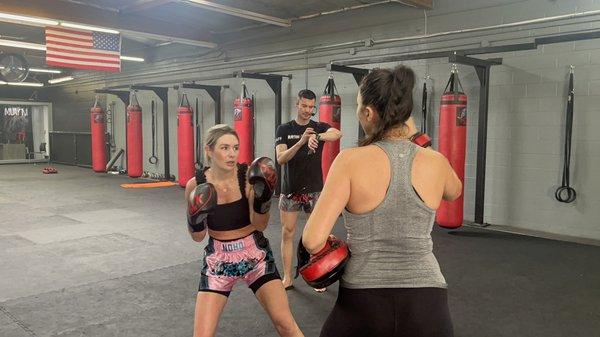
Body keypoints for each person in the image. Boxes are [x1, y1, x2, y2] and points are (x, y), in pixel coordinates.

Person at [301, 65, 462, 337]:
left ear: (368, 113)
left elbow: (313, 240)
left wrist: (339, 250)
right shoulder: (435, 161)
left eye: (357, 105)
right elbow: (454, 191)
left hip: (364, 300)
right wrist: (417, 138)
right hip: (428, 304)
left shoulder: (349, 160)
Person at [185, 124, 304, 337]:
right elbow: (198, 237)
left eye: (235, 147)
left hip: (254, 254)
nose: (232, 154)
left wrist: (263, 198)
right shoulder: (195, 185)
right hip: (218, 260)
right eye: (224, 148)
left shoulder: (249, 178)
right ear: (208, 151)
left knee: (285, 324)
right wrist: (194, 217)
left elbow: (260, 225)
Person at [275, 89, 342, 291]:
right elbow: (281, 158)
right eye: (304, 106)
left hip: (313, 189)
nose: (308, 110)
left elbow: (337, 133)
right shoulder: (284, 129)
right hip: (290, 189)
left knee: (317, 236)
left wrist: (318, 137)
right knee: (288, 233)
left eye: (312, 107)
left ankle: (318, 277)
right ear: (297, 104)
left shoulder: (318, 126)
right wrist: (302, 142)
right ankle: (287, 276)